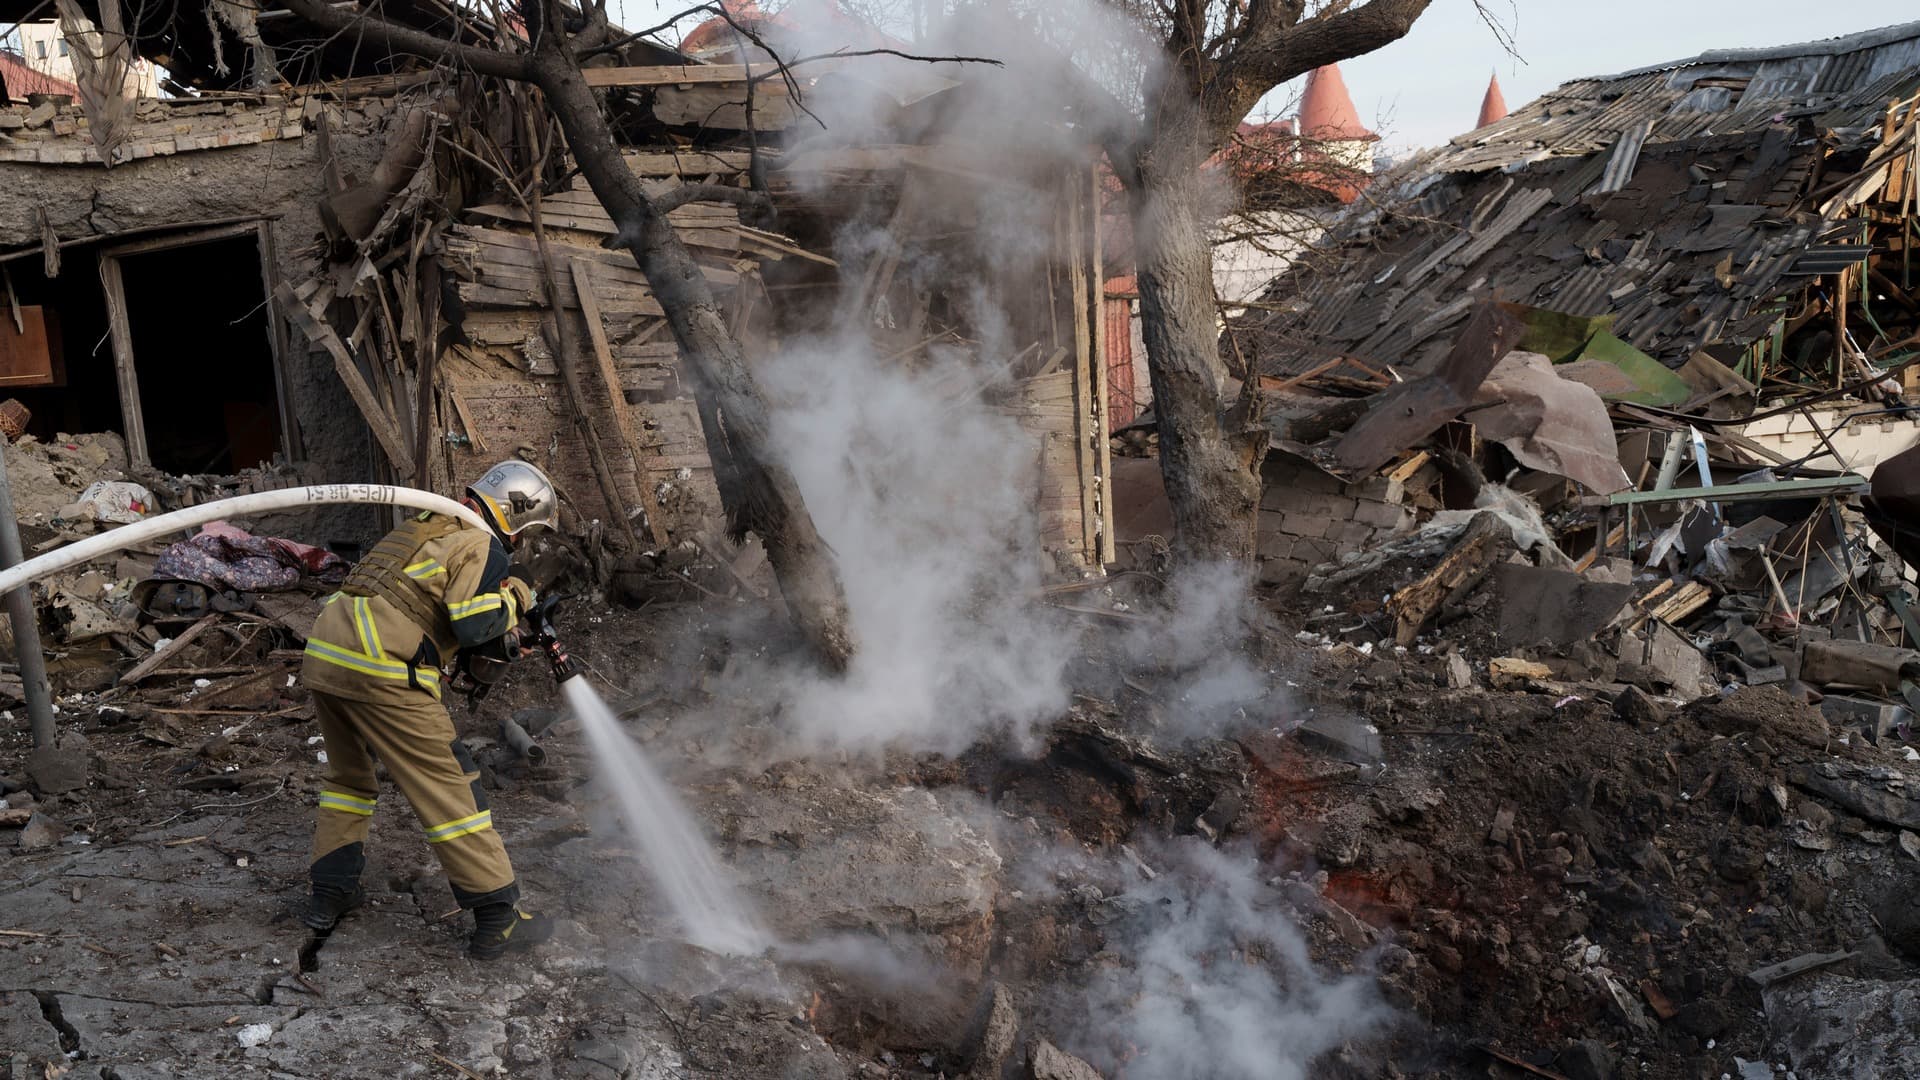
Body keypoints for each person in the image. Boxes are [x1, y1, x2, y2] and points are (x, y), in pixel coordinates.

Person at [300, 461, 559, 960]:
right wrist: (521, 593)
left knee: (349, 781)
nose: (521, 544)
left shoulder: (426, 523)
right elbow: (473, 621)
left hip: (328, 653)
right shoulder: (480, 543)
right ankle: (498, 918)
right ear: (515, 515)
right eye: (526, 532)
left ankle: (329, 894)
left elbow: (418, 600)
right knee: (451, 785)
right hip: (380, 668)